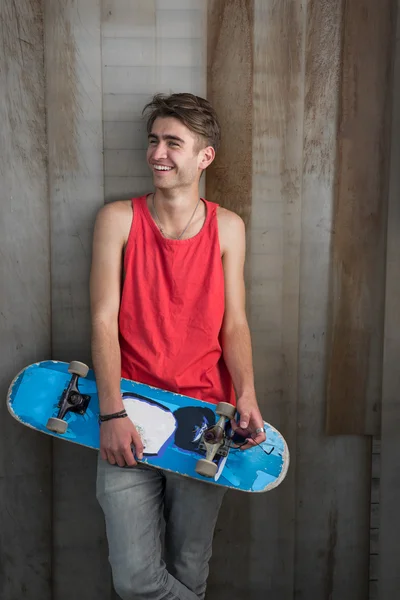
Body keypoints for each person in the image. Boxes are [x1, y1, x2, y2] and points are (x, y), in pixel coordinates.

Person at [90, 92, 266, 600]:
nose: (157, 154)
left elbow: (234, 323)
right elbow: (103, 320)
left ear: (204, 156)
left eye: (173, 142)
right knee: (136, 581)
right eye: (153, 141)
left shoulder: (229, 227)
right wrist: (110, 413)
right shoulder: (117, 220)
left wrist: (248, 393)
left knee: (191, 569)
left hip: (206, 421)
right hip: (126, 417)